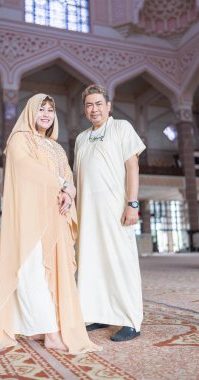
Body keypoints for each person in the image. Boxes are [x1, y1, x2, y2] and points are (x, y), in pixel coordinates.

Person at [0, 93, 101, 354]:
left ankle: (45, 326)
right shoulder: (20, 139)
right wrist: (61, 184)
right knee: (34, 274)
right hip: (30, 219)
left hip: (56, 217)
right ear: (30, 112)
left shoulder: (57, 147)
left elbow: (67, 176)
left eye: (51, 110)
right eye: (41, 108)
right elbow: (26, 167)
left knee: (55, 275)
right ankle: (51, 335)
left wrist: (69, 191)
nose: (46, 114)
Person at [74, 84, 146, 342]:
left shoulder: (121, 128)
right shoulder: (81, 138)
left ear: (108, 106)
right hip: (87, 213)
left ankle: (129, 320)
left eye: (98, 104)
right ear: (85, 110)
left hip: (116, 210)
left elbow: (132, 166)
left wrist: (132, 203)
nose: (94, 109)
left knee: (120, 262)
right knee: (91, 262)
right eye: (89, 105)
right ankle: (97, 313)